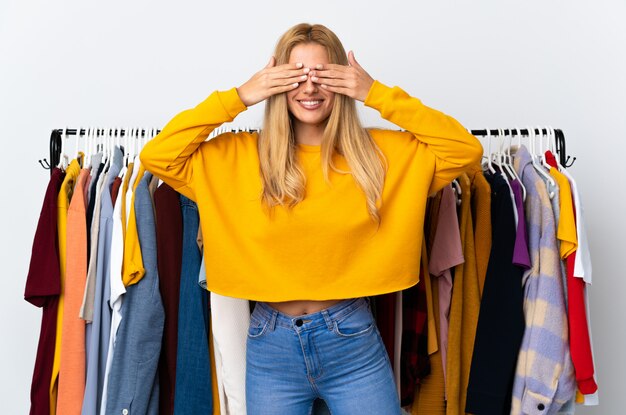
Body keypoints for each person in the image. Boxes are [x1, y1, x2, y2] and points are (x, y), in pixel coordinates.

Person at [140, 22, 482, 415]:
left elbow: (465, 151)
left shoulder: (378, 157)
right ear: (275, 83)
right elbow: (158, 155)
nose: (309, 87)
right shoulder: (236, 156)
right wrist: (241, 96)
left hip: (352, 339)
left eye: (323, 75)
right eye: (295, 75)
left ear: (343, 81)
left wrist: (375, 93)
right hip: (270, 346)